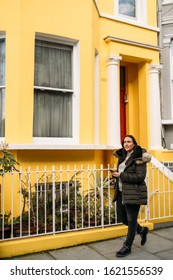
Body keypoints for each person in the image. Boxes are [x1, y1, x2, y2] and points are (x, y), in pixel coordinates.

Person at [112, 135, 151, 257]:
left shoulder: (139, 157)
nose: (126, 144)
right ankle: (141, 230)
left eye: (129, 142)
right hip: (121, 192)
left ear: (134, 143)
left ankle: (127, 246)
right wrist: (116, 174)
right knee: (122, 218)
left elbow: (140, 177)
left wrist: (121, 175)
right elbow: (123, 172)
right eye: (124, 142)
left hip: (134, 192)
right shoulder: (122, 156)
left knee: (131, 220)